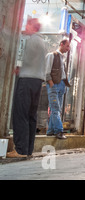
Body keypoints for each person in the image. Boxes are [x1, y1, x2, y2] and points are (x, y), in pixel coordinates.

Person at [7, 18, 47, 158]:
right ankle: (28, 150)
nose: (25, 27)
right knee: (31, 116)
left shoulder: (32, 41)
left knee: (21, 114)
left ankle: (20, 150)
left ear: (32, 27)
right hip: (38, 82)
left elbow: (27, 59)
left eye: (27, 25)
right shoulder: (42, 42)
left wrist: (18, 68)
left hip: (27, 80)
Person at [45, 39, 71, 139]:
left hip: (61, 85)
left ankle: (50, 131)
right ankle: (59, 131)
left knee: (56, 108)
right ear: (61, 44)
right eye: (67, 46)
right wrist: (50, 83)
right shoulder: (51, 55)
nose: (68, 49)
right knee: (55, 108)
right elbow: (47, 71)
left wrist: (64, 85)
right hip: (54, 85)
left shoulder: (62, 58)